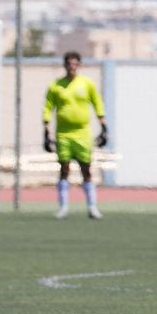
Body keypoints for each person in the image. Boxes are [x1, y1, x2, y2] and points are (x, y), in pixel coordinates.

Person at [41, 51, 109, 219]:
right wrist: (46, 128)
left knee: (86, 169)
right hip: (63, 134)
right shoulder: (56, 86)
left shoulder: (86, 84)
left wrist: (103, 125)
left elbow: (97, 102)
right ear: (65, 65)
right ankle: (63, 207)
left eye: (75, 64)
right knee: (64, 169)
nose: (72, 67)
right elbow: (48, 107)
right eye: (69, 64)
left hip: (83, 134)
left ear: (79, 65)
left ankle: (92, 207)